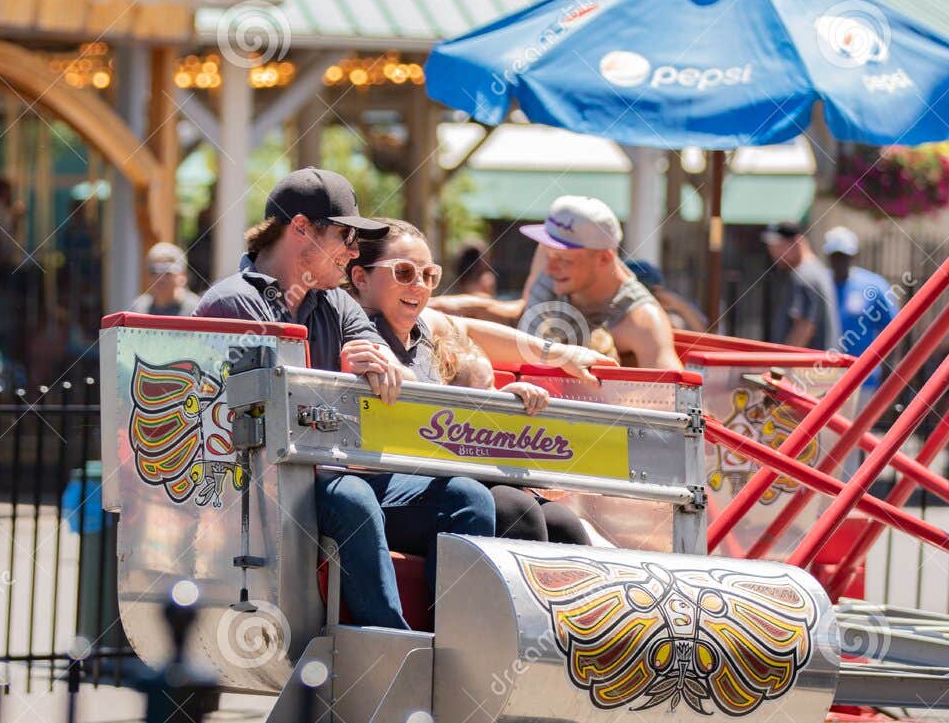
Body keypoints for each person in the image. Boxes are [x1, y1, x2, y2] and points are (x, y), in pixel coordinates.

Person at [193, 167, 494, 631]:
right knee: (351, 496)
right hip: (262, 487)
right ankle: (393, 650)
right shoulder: (235, 303)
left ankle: (455, 647)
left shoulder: (336, 302)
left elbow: (372, 355)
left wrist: (379, 363)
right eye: (345, 236)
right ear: (299, 229)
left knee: (468, 497)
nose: (354, 251)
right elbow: (268, 413)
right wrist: (342, 375)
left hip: (330, 473)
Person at [347, 219, 602, 546]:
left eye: (429, 275)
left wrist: (559, 355)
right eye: (404, 273)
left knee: (562, 523)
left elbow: (468, 328)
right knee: (515, 511)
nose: (420, 286)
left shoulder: (422, 325)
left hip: (448, 472)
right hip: (394, 486)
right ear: (361, 277)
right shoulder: (353, 329)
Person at [433, 196, 682, 369]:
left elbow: (676, 406)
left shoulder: (643, 321)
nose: (550, 267)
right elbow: (522, 314)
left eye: (563, 259)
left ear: (604, 258)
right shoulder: (553, 262)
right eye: (548, 252)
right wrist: (450, 306)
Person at [821, 226, 899, 385]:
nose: (839, 262)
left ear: (853, 256)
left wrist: (888, 373)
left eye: (844, 256)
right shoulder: (820, 284)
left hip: (863, 379)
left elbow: (892, 330)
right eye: (835, 257)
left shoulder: (873, 286)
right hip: (822, 376)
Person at [760, 222, 839, 351]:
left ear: (797, 242)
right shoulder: (817, 270)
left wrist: (782, 362)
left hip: (807, 368)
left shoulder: (804, 275)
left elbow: (804, 327)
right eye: (771, 247)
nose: (774, 253)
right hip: (820, 366)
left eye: (779, 246)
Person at [624, 259, 708, 334]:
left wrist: (679, 305)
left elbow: (704, 334)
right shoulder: (622, 321)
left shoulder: (669, 320)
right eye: (649, 292)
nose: (653, 298)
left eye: (655, 292)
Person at [132, 241, 199, 317]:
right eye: (153, 271)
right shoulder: (139, 309)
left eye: (167, 272)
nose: (160, 278)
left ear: (183, 276)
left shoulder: (196, 310)